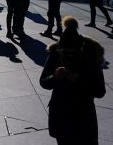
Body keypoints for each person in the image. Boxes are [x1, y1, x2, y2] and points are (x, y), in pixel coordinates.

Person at [39, 16, 106, 145]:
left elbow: (100, 91)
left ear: (81, 48)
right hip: (61, 113)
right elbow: (43, 81)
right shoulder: (56, 52)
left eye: (73, 53)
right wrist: (55, 77)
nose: (69, 56)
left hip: (83, 115)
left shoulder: (91, 55)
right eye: (66, 53)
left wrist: (79, 79)